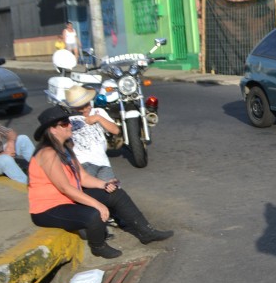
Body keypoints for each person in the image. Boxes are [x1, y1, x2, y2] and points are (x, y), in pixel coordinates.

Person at [28, 106, 172, 259]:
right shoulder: (48, 153)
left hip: (68, 199)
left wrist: (104, 184)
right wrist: (97, 204)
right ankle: (98, 246)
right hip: (48, 209)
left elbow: (83, 177)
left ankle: (146, 232)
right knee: (95, 214)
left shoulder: (65, 149)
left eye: (68, 122)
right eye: (64, 123)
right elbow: (65, 188)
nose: (70, 125)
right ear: (52, 130)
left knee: (115, 193)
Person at [65, 84, 120, 182]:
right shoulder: (69, 119)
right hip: (83, 162)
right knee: (91, 191)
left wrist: (99, 118)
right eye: (80, 108)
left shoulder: (98, 112)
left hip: (103, 162)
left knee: (112, 190)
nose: (86, 109)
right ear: (73, 108)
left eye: (87, 105)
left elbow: (115, 130)